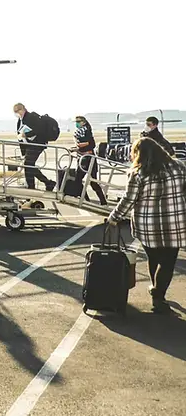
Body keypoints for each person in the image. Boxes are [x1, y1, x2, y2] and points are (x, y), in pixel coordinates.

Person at [107, 136, 186, 314]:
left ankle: (155, 288)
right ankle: (159, 295)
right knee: (168, 262)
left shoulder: (138, 173)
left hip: (148, 226)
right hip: (175, 223)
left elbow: (129, 199)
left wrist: (114, 217)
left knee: (154, 257)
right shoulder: (179, 167)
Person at [14, 103, 55, 191]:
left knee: (28, 164)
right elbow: (20, 136)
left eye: (18, 111)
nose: (17, 114)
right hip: (29, 145)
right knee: (29, 165)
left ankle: (32, 186)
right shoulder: (20, 121)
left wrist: (27, 134)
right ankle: (47, 183)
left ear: (23, 109)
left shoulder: (32, 116)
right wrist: (23, 152)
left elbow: (39, 129)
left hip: (37, 144)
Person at [73, 115, 108, 205]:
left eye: (79, 121)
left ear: (84, 122)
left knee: (84, 180)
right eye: (76, 121)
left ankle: (89, 200)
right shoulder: (80, 132)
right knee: (84, 180)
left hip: (87, 157)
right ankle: (88, 199)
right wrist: (77, 148)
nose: (77, 123)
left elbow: (91, 144)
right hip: (83, 157)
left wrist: (80, 146)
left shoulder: (85, 131)